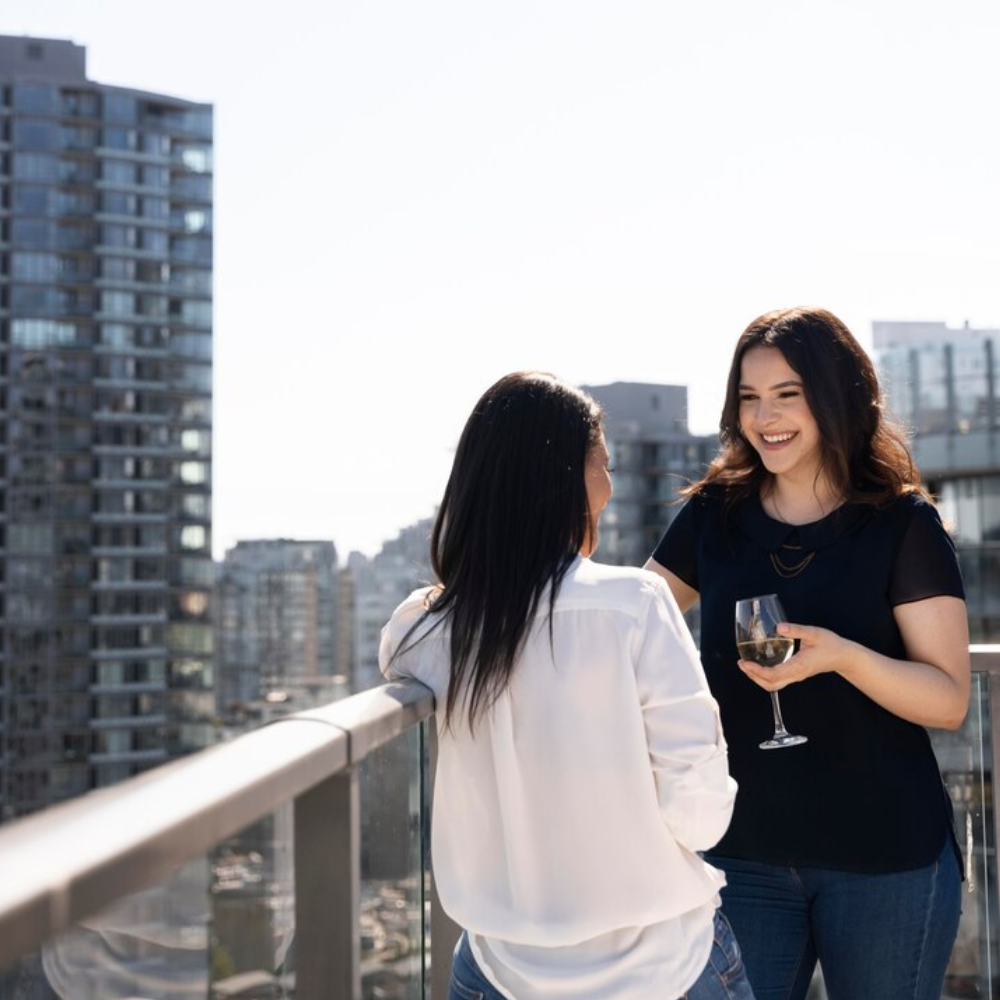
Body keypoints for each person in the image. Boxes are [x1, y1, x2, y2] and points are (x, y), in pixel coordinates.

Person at [380, 371, 755, 1000]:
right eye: (601, 464)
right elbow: (700, 817)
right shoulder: (633, 604)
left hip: (502, 971)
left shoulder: (436, 628)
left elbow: (398, 642)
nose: (607, 484)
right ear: (567, 481)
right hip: (661, 969)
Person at [644, 306, 970, 1000]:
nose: (766, 417)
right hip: (742, 856)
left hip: (887, 858)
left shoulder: (902, 524)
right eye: (749, 398)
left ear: (835, 395)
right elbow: (630, 624)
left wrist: (843, 656)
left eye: (787, 395)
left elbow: (948, 699)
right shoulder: (712, 515)